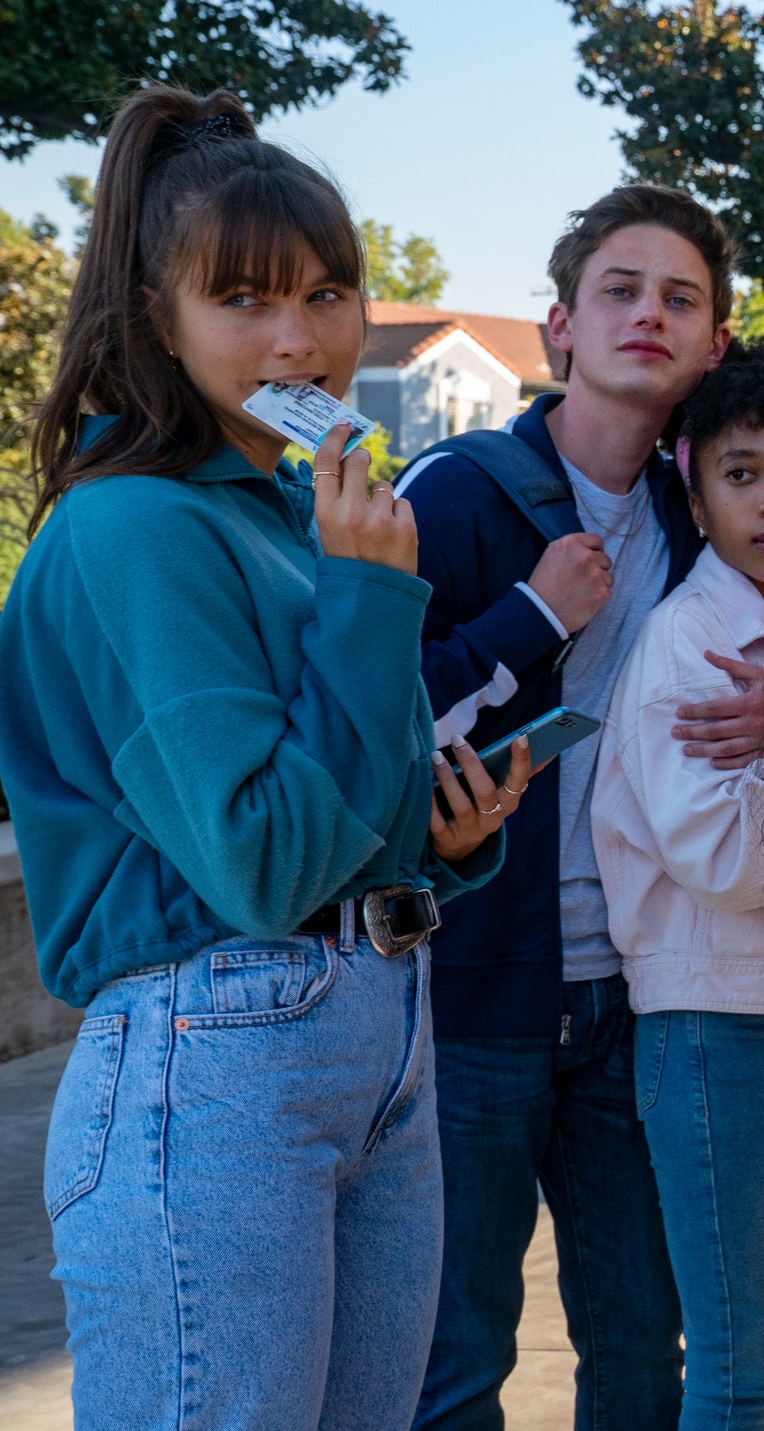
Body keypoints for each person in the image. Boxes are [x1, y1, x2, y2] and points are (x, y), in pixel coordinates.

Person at [0, 85, 534, 1427]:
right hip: (215, 1052)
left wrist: (439, 838)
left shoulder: (297, 507)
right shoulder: (135, 529)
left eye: (331, 293)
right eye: (244, 301)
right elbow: (259, 855)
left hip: (377, 1028)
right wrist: (368, 599)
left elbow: (333, 799)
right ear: (157, 324)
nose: (302, 340)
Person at [397, 185, 764, 1429]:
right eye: (620, 290)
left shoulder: (703, 511)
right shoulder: (455, 492)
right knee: (455, 1361)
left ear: (716, 343)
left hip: (638, 994)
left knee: (639, 1355)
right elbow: (369, 729)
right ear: (558, 325)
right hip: (474, 997)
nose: (649, 315)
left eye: (681, 298)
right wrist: (535, 617)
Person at [589, 343, 764, 1430]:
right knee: (737, 1374)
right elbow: (732, 865)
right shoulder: (685, 643)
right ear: (692, 484)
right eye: (743, 472)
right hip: (716, 1036)